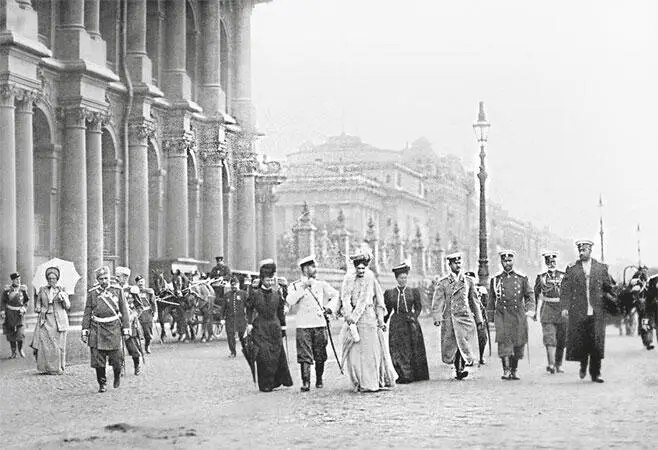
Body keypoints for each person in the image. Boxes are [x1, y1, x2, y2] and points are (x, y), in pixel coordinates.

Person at [326, 251, 396, 393]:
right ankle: (358, 382)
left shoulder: (371, 280)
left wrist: (381, 320)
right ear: (355, 268)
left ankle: (371, 383)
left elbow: (380, 303)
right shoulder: (348, 281)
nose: (361, 270)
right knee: (355, 355)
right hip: (353, 322)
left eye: (364, 268)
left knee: (370, 354)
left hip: (369, 320)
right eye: (359, 268)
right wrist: (331, 310)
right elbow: (341, 299)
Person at [560, 240, 614, 383]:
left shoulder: (601, 268)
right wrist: (565, 307)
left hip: (597, 311)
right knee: (582, 341)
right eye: (580, 250)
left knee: (596, 342)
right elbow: (565, 289)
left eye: (584, 250)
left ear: (590, 250)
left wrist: (611, 300)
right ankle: (583, 364)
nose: (581, 252)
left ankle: (596, 373)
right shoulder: (572, 269)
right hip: (579, 310)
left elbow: (608, 287)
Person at [286, 255, 339, 391]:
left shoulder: (321, 284)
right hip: (303, 324)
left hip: (319, 323)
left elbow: (335, 295)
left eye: (314, 266)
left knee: (320, 354)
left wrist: (329, 308)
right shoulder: (295, 285)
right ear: (304, 269)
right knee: (304, 354)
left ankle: (319, 378)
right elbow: (290, 301)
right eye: (311, 267)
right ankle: (306, 382)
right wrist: (303, 287)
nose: (314, 269)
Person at [432, 254, 483, 380]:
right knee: (454, 344)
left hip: (465, 317)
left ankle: (461, 368)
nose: (458, 265)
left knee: (464, 343)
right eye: (455, 263)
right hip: (450, 318)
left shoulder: (468, 281)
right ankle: (458, 368)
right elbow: (437, 301)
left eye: (459, 262)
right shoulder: (443, 283)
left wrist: (479, 319)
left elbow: (474, 301)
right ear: (449, 265)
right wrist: (437, 317)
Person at [245, 259, 293, 392]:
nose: (270, 282)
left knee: (276, 354)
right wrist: (249, 324)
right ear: (262, 280)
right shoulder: (255, 294)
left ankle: (276, 381)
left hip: (275, 327)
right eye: (267, 280)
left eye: (272, 280)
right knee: (263, 356)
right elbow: (249, 308)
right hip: (260, 327)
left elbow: (280, 312)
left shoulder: (277, 294)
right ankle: (265, 384)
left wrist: (283, 327)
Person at [81, 266, 130, 392]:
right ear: (98, 280)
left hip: (114, 327)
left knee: (117, 359)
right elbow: (87, 312)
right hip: (97, 328)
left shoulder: (117, 290)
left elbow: (124, 311)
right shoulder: (93, 292)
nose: (104, 281)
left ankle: (117, 375)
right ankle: (102, 383)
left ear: (110, 278)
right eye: (101, 279)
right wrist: (85, 330)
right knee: (99, 360)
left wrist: (126, 329)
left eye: (106, 278)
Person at [487, 250, 535, 380]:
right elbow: (491, 300)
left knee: (518, 343)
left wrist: (530, 309)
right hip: (502, 314)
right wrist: (490, 319)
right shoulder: (496, 280)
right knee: (503, 342)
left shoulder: (521, 278)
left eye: (509, 261)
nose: (507, 263)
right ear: (501, 262)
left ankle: (514, 370)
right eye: (504, 261)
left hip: (518, 314)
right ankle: (506, 370)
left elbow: (529, 295)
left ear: (513, 261)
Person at [383, 262, 429, 383]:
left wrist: (414, 317)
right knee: (397, 349)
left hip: (411, 323)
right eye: (400, 278)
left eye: (405, 278)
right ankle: (403, 374)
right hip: (396, 323)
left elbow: (418, 307)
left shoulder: (413, 291)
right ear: (396, 279)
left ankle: (414, 374)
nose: (403, 280)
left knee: (412, 348)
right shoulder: (390, 293)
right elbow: (387, 310)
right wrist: (382, 322)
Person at [31, 267, 70, 374]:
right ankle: (45, 368)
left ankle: (57, 368)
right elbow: (38, 302)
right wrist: (38, 308)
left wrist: (64, 299)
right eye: (49, 278)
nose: (51, 280)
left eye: (53, 278)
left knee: (57, 345)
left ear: (57, 279)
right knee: (45, 344)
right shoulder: (42, 289)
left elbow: (67, 306)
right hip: (45, 319)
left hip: (58, 321)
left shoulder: (62, 290)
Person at [534, 251, 567, 373]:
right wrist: (534, 312)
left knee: (561, 339)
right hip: (547, 309)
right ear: (546, 263)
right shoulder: (541, 278)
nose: (551, 264)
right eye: (549, 262)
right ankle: (551, 364)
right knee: (549, 338)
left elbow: (569, 294)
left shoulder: (564, 276)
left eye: (553, 261)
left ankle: (559, 364)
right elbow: (536, 295)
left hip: (562, 309)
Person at [116, 267, 143, 375]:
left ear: (125, 277)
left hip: (131, 324)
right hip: (117, 322)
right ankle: (120, 368)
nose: (117, 279)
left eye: (119, 276)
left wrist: (132, 316)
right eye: (116, 276)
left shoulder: (132, 290)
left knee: (133, 348)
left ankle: (137, 365)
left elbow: (139, 307)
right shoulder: (115, 289)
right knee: (118, 348)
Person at [1, 273, 30, 358]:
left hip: (19, 314)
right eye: (16, 280)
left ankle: (20, 349)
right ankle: (13, 352)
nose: (18, 281)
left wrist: (24, 309)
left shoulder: (23, 289)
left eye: (19, 279)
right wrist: (2, 311)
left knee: (20, 333)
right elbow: (3, 301)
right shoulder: (7, 290)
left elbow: (26, 301)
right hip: (9, 314)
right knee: (11, 334)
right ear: (12, 280)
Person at [465, 271, 489, 366]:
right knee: (467, 338)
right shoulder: (463, 289)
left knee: (482, 337)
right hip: (467, 316)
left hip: (479, 316)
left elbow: (486, 303)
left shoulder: (481, 289)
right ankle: (468, 358)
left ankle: (481, 355)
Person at [221, 276, 248, 358]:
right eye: (232, 285)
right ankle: (233, 352)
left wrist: (249, 318)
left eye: (235, 285)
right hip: (230, 319)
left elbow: (248, 306)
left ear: (238, 285)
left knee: (242, 336)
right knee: (230, 335)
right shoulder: (227, 295)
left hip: (241, 319)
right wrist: (222, 318)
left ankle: (246, 350)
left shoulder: (243, 294)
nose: (234, 287)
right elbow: (223, 308)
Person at [134, 275, 157, 354]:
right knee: (137, 332)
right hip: (137, 314)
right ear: (136, 283)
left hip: (147, 314)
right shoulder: (133, 292)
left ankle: (147, 346)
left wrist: (155, 313)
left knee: (148, 334)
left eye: (142, 282)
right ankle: (138, 348)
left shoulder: (149, 291)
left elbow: (153, 303)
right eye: (139, 282)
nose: (141, 283)